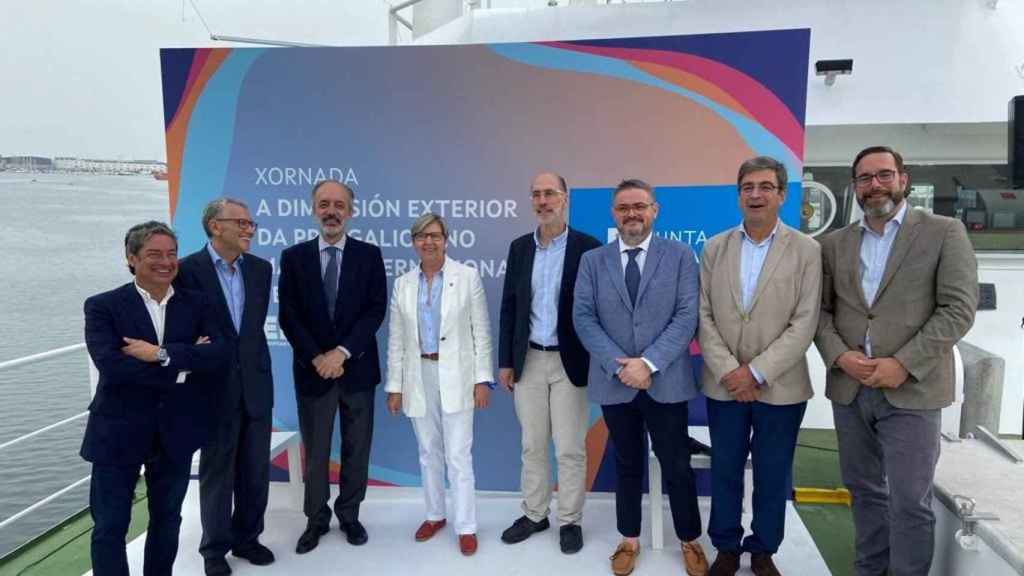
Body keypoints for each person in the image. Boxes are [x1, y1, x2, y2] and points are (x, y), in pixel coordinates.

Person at [815, 145, 978, 576]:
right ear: (855, 188)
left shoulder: (944, 232)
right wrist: (839, 356)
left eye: (884, 175)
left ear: (903, 179)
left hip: (913, 390)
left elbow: (958, 309)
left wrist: (903, 363)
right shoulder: (834, 244)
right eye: (865, 179)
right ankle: (869, 570)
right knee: (864, 491)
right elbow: (821, 311)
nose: (875, 186)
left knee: (909, 500)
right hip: (851, 390)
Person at [573, 179, 708, 576]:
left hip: (665, 381)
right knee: (627, 463)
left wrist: (647, 364)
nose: (632, 213)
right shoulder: (593, 261)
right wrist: (621, 366)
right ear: (613, 214)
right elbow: (583, 317)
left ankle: (689, 539)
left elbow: (687, 316)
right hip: (616, 383)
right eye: (623, 207)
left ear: (655, 210)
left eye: (639, 206)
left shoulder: (681, 256)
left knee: (676, 464)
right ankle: (628, 538)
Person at [698, 157, 822, 576]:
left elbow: (805, 321)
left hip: (781, 387)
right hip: (724, 386)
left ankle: (764, 549)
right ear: (738, 194)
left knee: (771, 474)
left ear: (782, 195)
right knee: (726, 470)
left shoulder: (807, 250)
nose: (755, 194)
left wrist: (756, 372)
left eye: (765, 186)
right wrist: (731, 371)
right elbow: (705, 317)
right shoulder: (715, 248)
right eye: (747, 186)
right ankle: (727, 547)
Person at [82, 221, 226, 576]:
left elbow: (220, 355)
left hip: (175, 431)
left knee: (167, 520)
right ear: (131, 259)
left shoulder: (199, 303)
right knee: (110, 526)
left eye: (171, 254)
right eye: (154, 254)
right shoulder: (103, 307)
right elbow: (113, 367)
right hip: (118, 431)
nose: (166, 262)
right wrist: (183, 362)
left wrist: (159, 354)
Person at [278, 179, 387, 554]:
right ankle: (316, 519)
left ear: (351, 211)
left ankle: (350, 515)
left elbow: (375, 310)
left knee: (358, 448)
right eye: (324, 204)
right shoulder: (293, 257)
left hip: (356, 369)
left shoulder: (369, 255)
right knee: (317, 450)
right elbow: (289, 316)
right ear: (313, 209)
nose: (331, 211)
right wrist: (318, 357)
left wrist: (341, 352)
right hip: (312, 372)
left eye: (339, 205)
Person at [497, 171, 601, 554]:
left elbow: (597, 310)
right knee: (532, 445)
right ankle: (535, 513)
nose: (543, 201)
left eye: (550, 194)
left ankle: (570, 520)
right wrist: (505, 360)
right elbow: (509, 306)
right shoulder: (520, 247)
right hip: (529, 361)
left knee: (570, 447)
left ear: (565, 198)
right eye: (536, 194)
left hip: (570, 362)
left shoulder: (587, 247)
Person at [174, 198, 275, 575]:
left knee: (254, 468)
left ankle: (249, 538)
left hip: (256, 384)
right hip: (212, 388)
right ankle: (214, 550)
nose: (250, 230)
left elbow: (250, 332)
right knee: (218, 472)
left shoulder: (261, 270)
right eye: (243, 223)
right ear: (216, 226)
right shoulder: (187, 271)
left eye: (252, 224)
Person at [384, 213, 493, 556]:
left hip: (458, 376)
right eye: (421, 236)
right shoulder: (403, 284)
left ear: (446, 239)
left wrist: (481, 380)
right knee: (428, 451)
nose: (428, 242)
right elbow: (397, 339)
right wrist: (395, 386)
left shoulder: (467, 277)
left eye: (434, 235)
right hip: (419, 376)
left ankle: (466, 525)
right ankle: (435, 515)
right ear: (413, 242)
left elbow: (481, 332)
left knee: (459, 455)